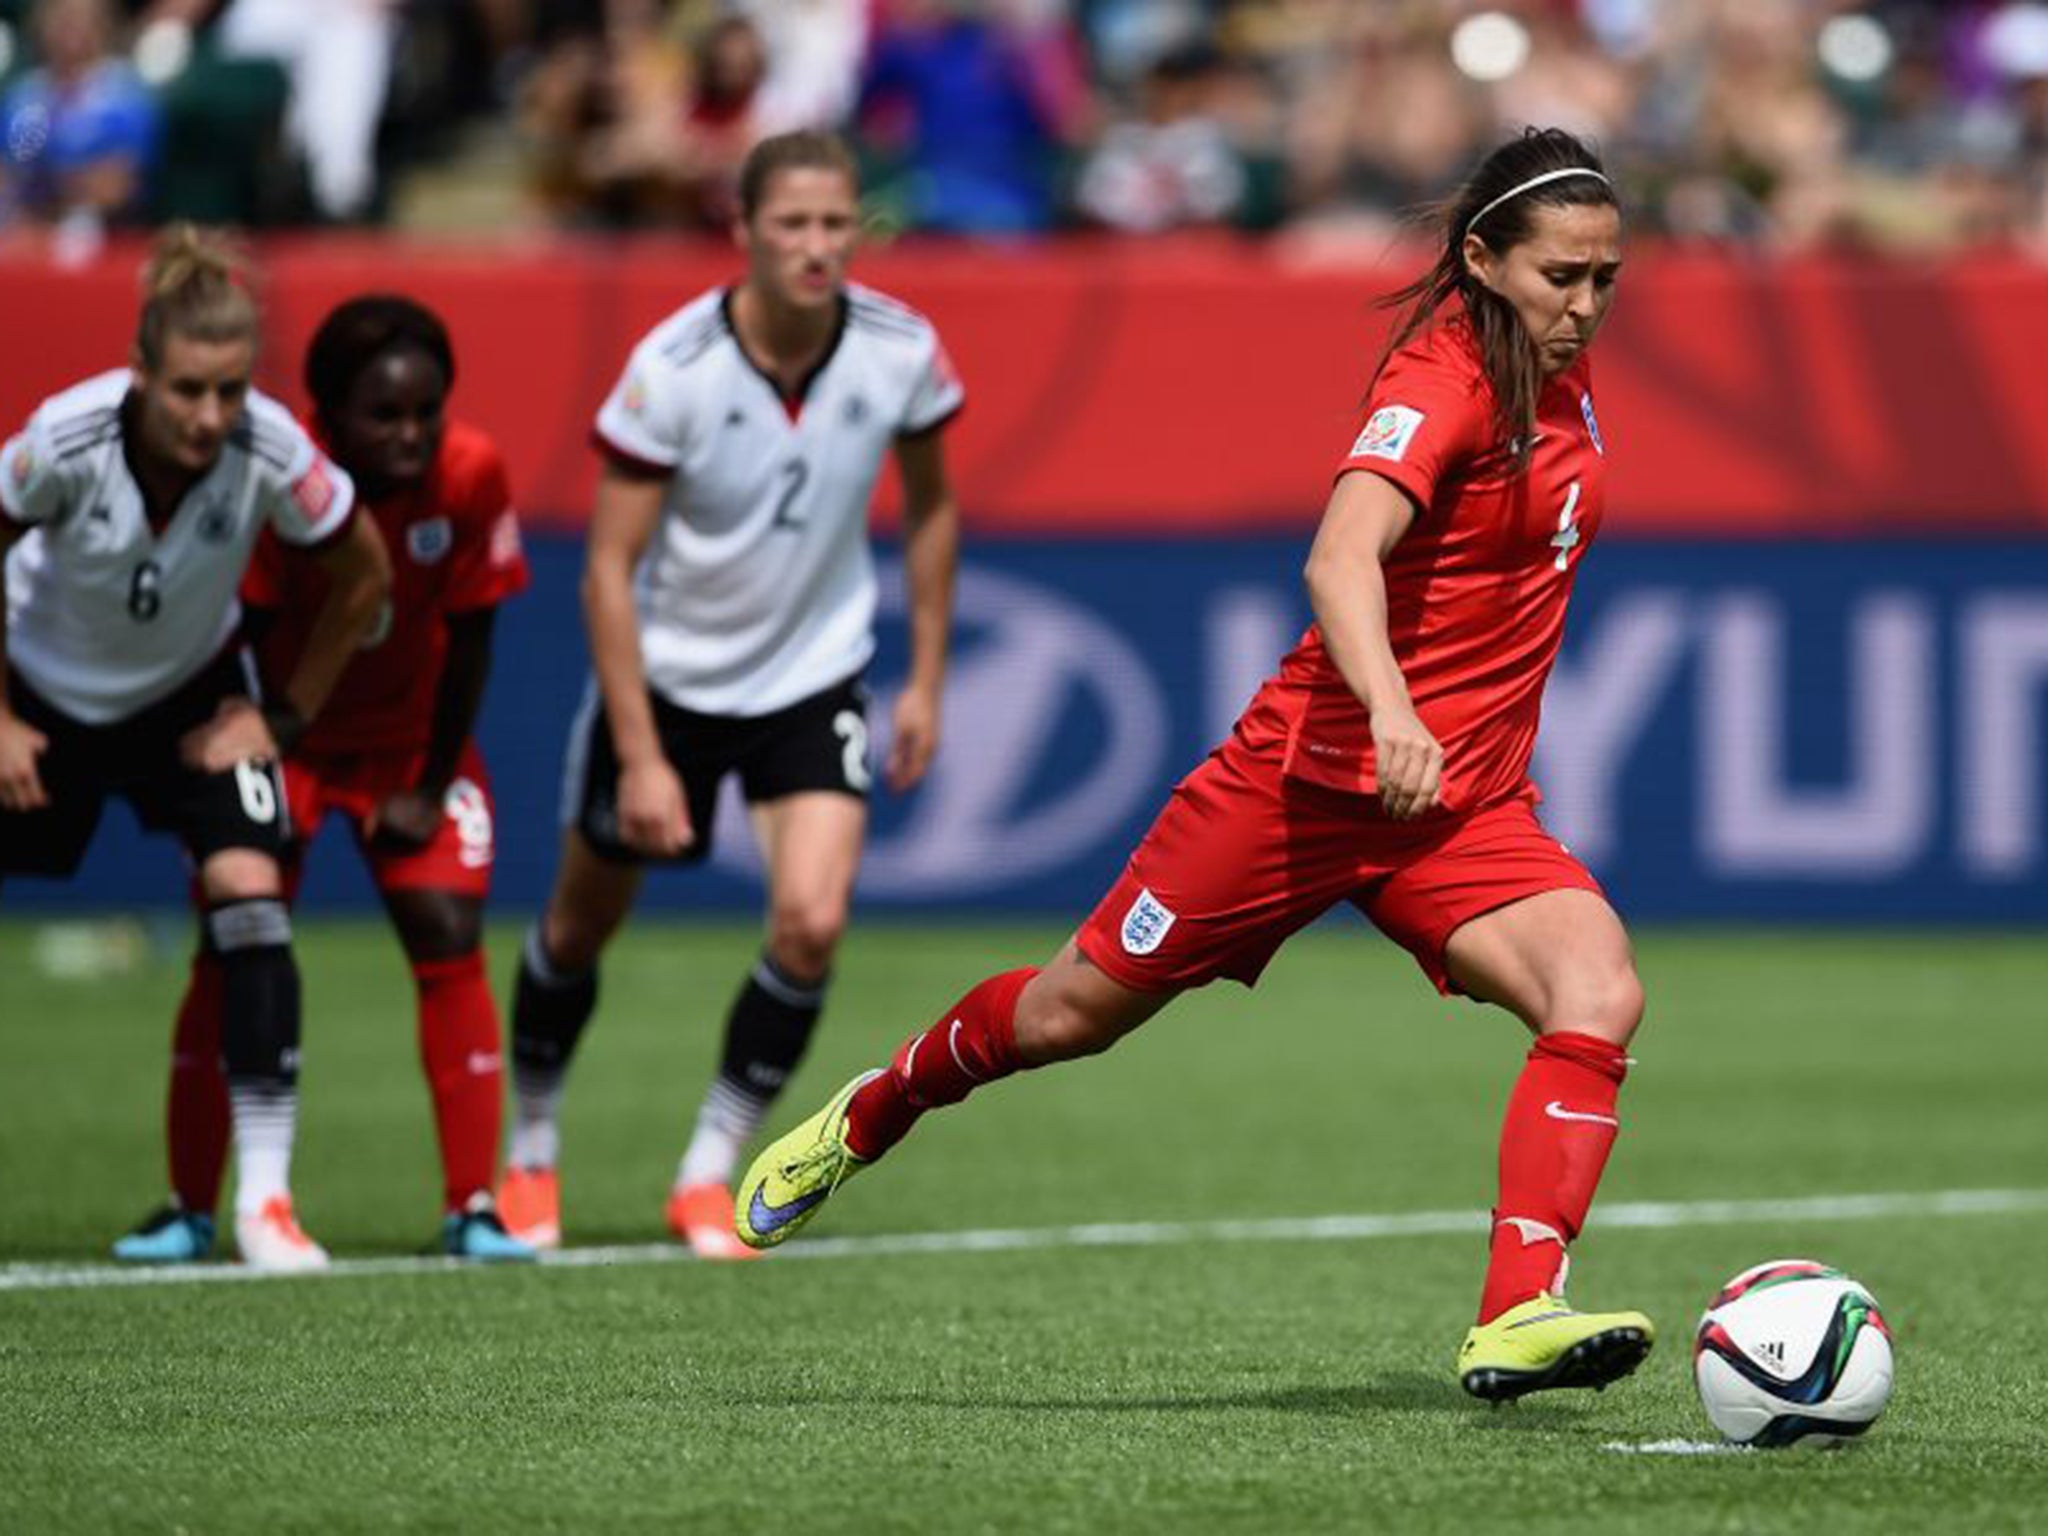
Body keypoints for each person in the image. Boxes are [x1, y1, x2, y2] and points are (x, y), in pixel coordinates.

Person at [736, 126, 1659, 1404]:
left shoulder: (1561, 381)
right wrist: (1390, 712)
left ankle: (1515, 1313)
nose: (1585, 304)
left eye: (1604, 279)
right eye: (1561, 275)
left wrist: (1432, 747)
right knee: (1069, 1016)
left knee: (1596, 989)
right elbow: (1339, 558)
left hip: (1454, 810)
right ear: (1483, 262)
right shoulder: (1441, 382)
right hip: (1303, 786)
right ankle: (873, 1110)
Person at [498, 128, 963, 1260]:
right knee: (578, 922)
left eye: (833, 224)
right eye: (791, 225)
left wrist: (925, 682)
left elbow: (934, 508)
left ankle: (710, 1166)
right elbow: (606, 569)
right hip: (670, 686)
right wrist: (643, 749)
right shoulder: (674, 370)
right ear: (744, 230)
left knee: (809, 923)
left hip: (812, 678)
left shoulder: (901, 351)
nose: (815, 247)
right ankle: (529, 1148)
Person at [113, 295, 536, 1266]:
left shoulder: (469, 473)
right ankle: (189, 1205)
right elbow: (242, 628)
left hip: (409, 744)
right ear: (326, 416)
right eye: (383, 416)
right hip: (286, 744)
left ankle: (472, 1205)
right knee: (234, 943)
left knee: (447, 928)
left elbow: (473, 638)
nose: (411, 434)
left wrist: (429, 786)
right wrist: (257, 741)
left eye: (426, 412)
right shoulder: (271, 477)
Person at [0, 224, 389, 1273]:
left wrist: (284, 718)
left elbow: (364, 577)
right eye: (186, 391)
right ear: (140, 373)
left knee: (252, 900)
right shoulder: (63, 439)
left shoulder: (269, 447)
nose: (210, 416)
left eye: (227, 390)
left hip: (194, 700)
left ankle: (264, 1203)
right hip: (41, 692)